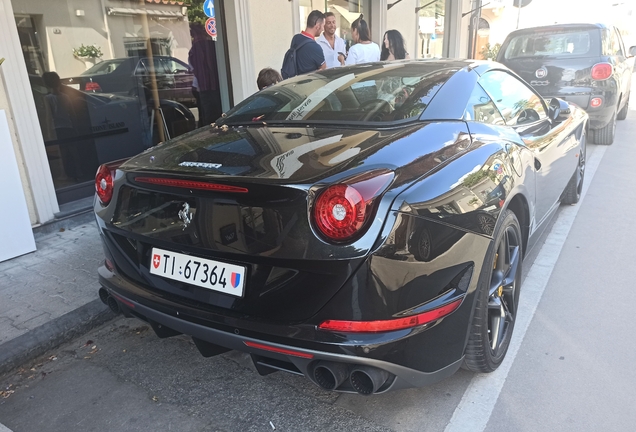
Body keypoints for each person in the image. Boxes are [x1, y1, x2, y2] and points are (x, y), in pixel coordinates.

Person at [189, 23, 222, 125]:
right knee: (220, 113)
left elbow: (193, 69)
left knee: (208, 117)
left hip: (204, 88)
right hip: (218, 85)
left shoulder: (193, 50)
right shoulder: (215, 45)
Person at [281, 10, 326, 78]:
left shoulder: (296, 38)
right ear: (317, 26)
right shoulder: (315, 47)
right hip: (308, 84)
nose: (323, 29)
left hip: (294, 82)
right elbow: (324, 70)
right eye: (323, 26)